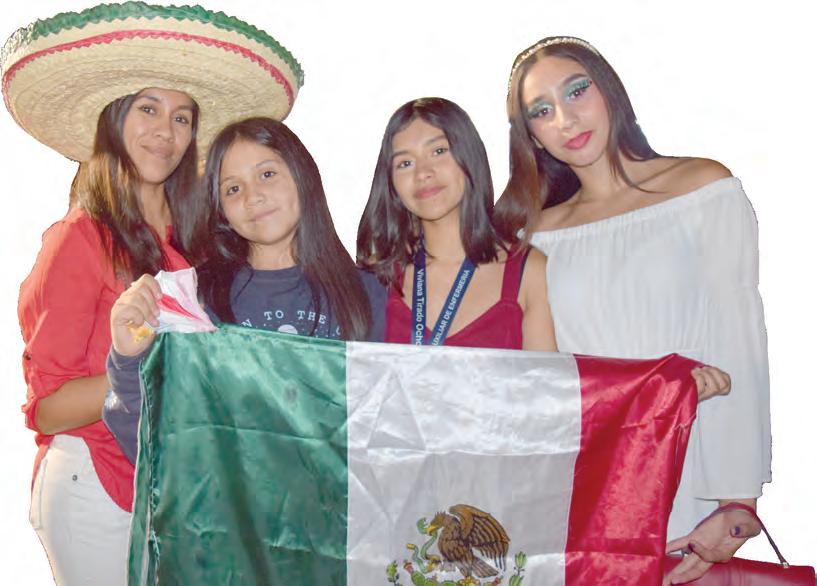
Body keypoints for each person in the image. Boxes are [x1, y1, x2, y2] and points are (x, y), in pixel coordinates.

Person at [4, 3, 302, 583]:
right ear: (114, 117)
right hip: (96, 484)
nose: (166, 131)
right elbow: (47, 407)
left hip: (177, 483)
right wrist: (154, 364)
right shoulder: (78, 240)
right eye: (148, 108)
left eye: (182, 117)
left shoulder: (202, 240)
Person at [496, 36, 766, 583]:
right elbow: (539, 381)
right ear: (532, 137)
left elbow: (739, 343)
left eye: (577, 91)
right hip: (587, 490)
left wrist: (738, 502)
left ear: (610, 91)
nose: (566, 119)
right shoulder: (533, 235)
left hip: (692, 479)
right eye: (542, 111)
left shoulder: (702, 188)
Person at [104, 116, 385, 466]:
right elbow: (154, 448)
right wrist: (128, 358)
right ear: (221, 210)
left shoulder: (370, 294)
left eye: (267, 174)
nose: (253, 197)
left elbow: (396, 434)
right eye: (233, 189)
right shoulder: (196, 302)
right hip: (237, 501)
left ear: (303, 175)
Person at [357, 97, 556, 351]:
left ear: (469, 156)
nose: (423, 173)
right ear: (391, 184)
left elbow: (547, 376)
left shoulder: (529, 271)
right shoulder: (377, 276)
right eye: (405, 163)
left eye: (439, 151)